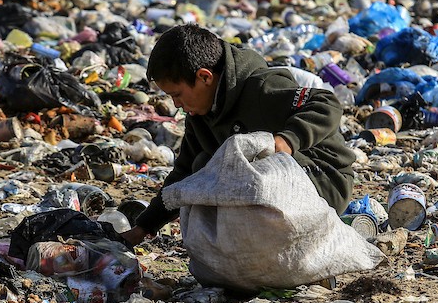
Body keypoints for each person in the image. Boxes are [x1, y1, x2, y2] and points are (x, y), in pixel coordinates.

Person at [122, 24, 355, 245]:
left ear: (204, 77)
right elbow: (183, 174)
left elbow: (326, 102)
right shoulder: (200, 115)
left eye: (178, 94)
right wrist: (144, 227)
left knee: (243, 162)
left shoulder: (261, 87)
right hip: (267, 186)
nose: (176, 104)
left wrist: (286, 141)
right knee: (203, 165)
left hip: (323, 179)